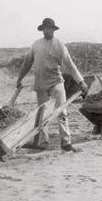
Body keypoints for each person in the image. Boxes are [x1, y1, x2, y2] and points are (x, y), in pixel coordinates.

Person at [17, 18, 88, 152]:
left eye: (50, 28)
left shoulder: (59, 44)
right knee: (42, 114)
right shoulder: (36, 45)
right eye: (45, 28)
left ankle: (66, 142)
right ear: (42, 30)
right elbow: (27, 63)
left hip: (56, 82)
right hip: (40, 83)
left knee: (61, 111)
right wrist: (20, 77)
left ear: (53, 30)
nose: (47, 31)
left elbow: (69, 63)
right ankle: (43, 142)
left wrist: (80, 81)